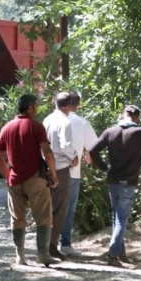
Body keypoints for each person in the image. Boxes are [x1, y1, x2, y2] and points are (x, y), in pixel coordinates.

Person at [0, 94, 61, 267]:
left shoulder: (7, 128)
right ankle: (42, 255)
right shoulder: (36, 127)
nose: (37, 109)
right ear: (30, 107)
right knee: (44, 217)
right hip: (36, 179)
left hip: (15, 181)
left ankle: (20, 257)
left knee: (17, 218)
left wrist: (8, 177)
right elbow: (47, 153)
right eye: (36, 106)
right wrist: (54, 175)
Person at [88, 105, 141, 267]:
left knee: (116, 218)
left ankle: (121, 254)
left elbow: (92, 151)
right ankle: (112, 255)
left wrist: (105, 168)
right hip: (128, 182)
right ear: (137, 117)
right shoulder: (139, 133)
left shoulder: (110, 131)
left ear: (123, 115)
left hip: (112, 181)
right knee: (120, 219)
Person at [59, 92, 98, 256]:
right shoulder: (82, 123)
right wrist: (88, 156)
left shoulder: (50, 120)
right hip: (73, 172)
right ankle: (65, 244)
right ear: (78, 105)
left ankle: (49, 243)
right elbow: (94, 146)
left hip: (52, 170)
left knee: (54, 207)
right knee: (69, 209)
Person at [42, 91, 79, 261]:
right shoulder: (65, 122)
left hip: (45, 168)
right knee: (60, 209)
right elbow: (65, 145)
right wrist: (74, 156)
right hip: (61, 169)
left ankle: (44, 244)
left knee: (47, 208)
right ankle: (51, 246)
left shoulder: (48, 119)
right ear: (71, 105)